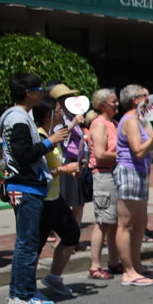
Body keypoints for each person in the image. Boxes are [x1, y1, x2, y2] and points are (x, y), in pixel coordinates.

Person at [0, 73, 70, 304]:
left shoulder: (17, 117)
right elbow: (24, 155)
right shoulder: (18, 119)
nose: (42, 93)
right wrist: (50, 141)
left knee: (26, 243)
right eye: (39, 89)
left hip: (26, 186)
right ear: (28, 92)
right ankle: (23, 295)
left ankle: (17, 294)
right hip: (25, 186)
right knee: (27, 244)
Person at [115, 84, 153, 286]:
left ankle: (136, 265)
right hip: (129, 172)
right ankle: (127, 271)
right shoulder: (129, 121)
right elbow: (138, 151)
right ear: (134, 100)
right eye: (144, 96)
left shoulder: (139, 121)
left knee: (139, 224)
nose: (148, 98)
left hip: (140, 173)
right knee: (126, 224)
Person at [32, 101, 83, 299]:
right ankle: (28, 286)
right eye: (58, 111)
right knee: (36, 245)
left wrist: (72, 170)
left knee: (72, 235)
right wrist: (65, 169)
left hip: (55, 198)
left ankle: (53, 277)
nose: (62, 113)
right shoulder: (39, 137)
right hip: (42, 200)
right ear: (48, 115)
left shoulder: (52, 135)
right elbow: (39, 171)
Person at [87, 88, 121, 279]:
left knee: (113, 221)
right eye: (113, 101)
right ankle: (95, 266)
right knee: (103, 221)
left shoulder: (113, 123)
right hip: (103, 175)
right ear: (102, 105)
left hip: (113, 174)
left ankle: (114, 262)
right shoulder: (99, 125)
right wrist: (123, 155)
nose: (117, 104)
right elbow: (100, 154)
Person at [47, 84, 88, 229]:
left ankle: (74, 234)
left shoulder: (70, 115)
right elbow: (59, 137)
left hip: (76, 161)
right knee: (66, 203)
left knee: (78, 203)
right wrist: (74, 122)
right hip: (65, 162)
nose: (71, 99)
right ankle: (63, 235)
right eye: (67, 97)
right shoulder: (58, 118)